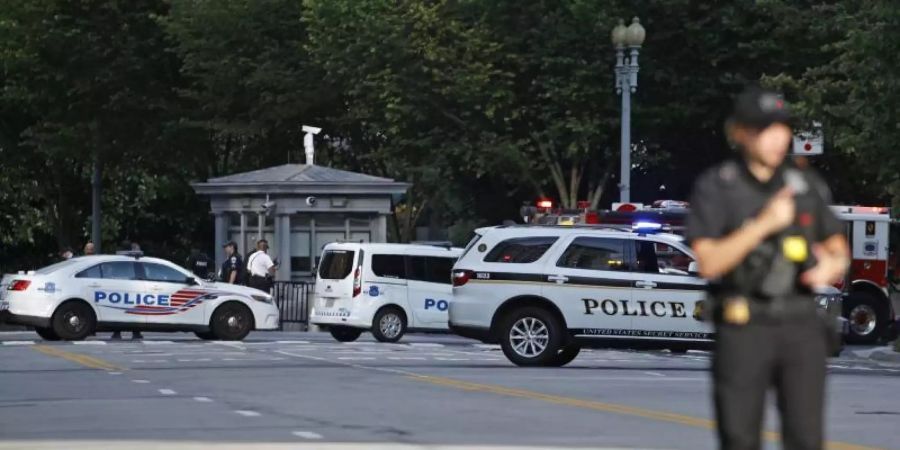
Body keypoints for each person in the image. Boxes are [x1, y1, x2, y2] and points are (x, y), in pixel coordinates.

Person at [685, 86, 850, 450]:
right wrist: (763, 223)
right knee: (740, 437)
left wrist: (830, 266)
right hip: (745, 326)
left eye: (782, 128)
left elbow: (838, 248)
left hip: (800, 325)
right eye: (764, 129)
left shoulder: (805, 185)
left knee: (806, 438)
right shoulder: (718, 186)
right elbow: (709, 262)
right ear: (740, 133)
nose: (777, 138)